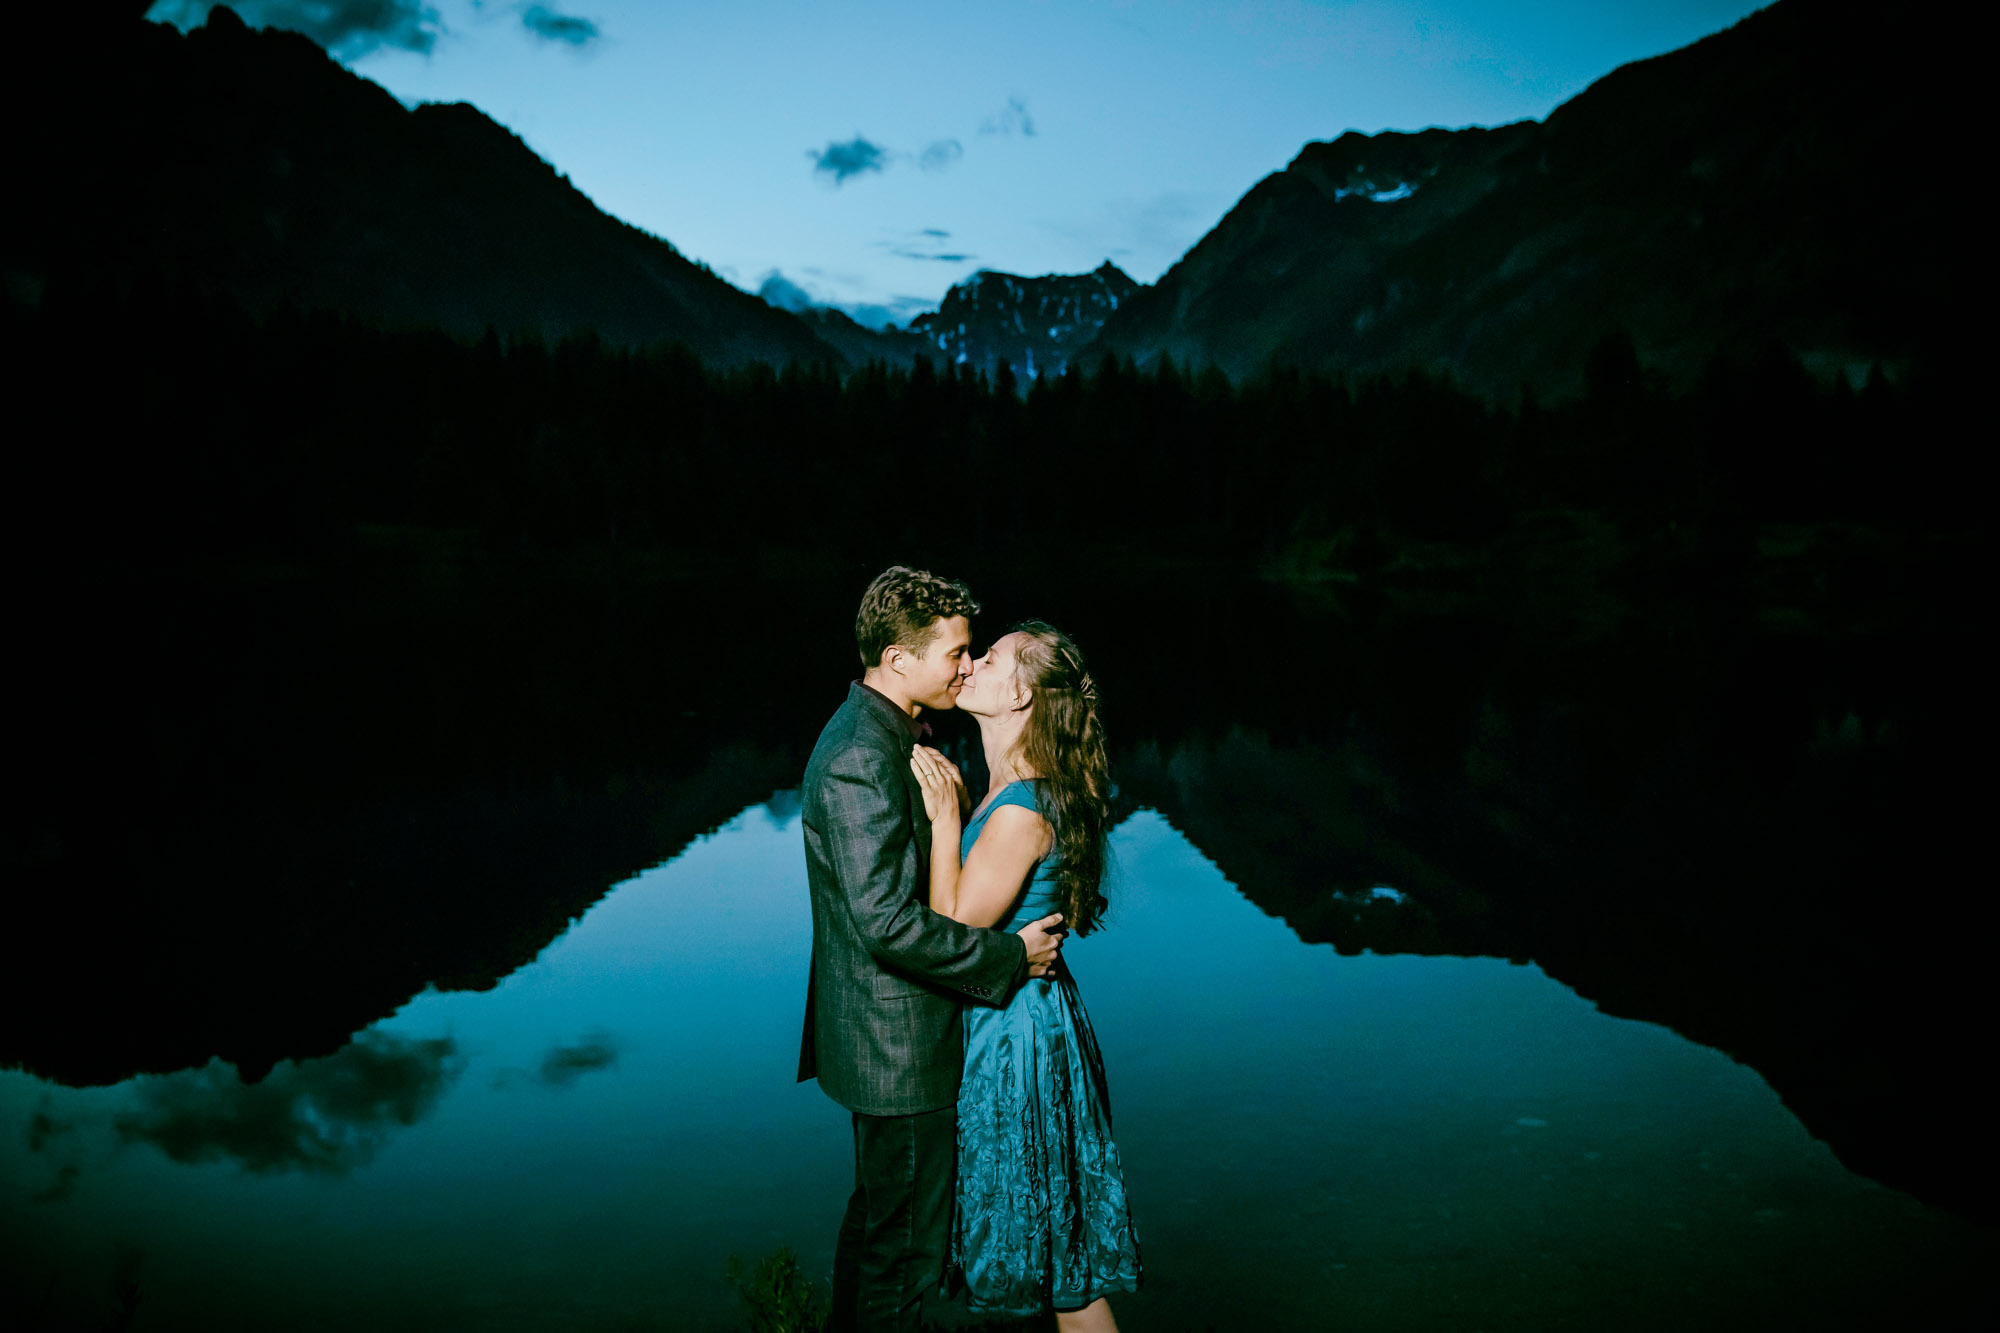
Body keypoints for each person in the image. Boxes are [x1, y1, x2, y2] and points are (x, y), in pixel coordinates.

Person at [798, 567, 1069, 1333]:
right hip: (900, 1052)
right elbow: (886, 921)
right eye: (953, 651)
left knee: (878, 1230)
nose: (965, 663)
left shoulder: (889, 732)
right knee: (906, 1260)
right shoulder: (860, 755)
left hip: (888, 1039)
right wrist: (1008, 958)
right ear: (896, 659)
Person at [908, 620, 1142, 1331]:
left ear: (1022, 694)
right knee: (1062, 1257)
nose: (973, 661)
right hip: (1031, 1017)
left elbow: (954, 920)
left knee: (1063, 1269)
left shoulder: (1018, 809)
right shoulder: (1015, 789)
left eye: (993, 656)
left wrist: (944, 818)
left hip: (1017, 1037)